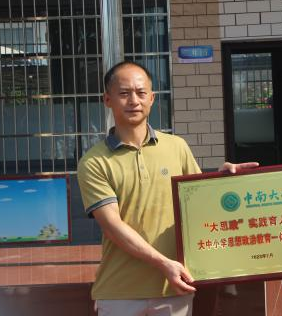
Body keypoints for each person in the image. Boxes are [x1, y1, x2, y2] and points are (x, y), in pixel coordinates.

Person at [77, 61, 256, 316]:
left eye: (141, 93)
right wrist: (164, 264)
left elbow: (199, 201)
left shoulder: (177, 147)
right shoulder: (94, 162)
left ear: (152, 98)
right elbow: (113, 227)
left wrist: (223, 181)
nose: (134, 101)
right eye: (124, 93)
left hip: (174, 287)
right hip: (120, 292)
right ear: (107, 99)